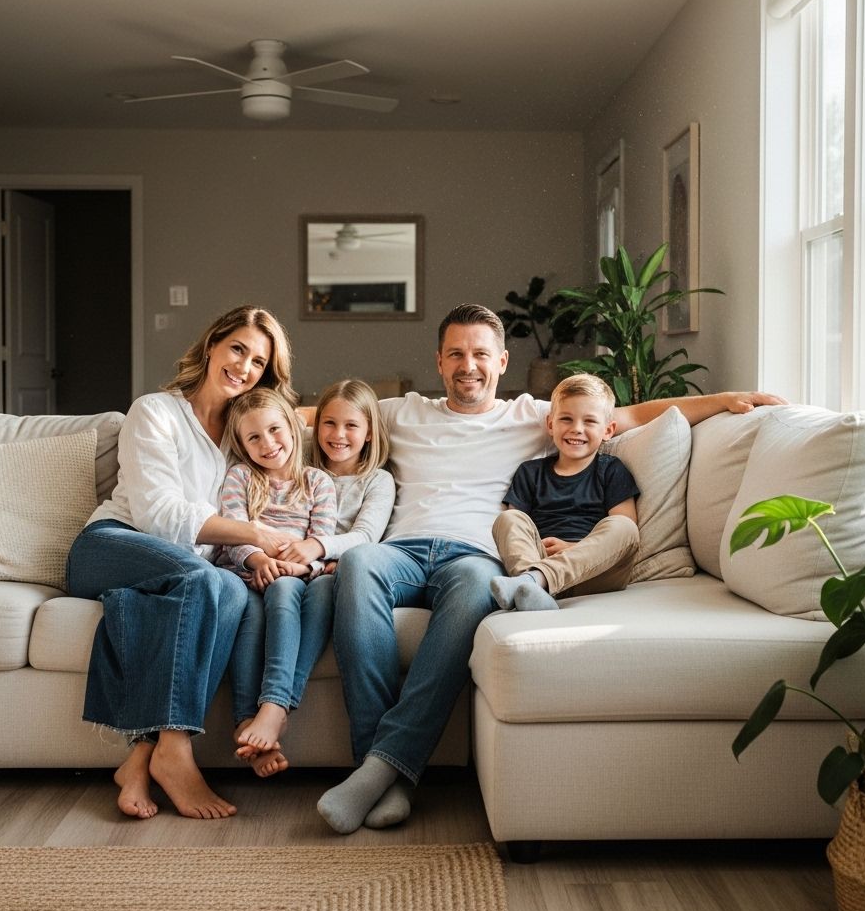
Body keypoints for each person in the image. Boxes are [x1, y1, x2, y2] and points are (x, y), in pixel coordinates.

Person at [317, 303, 786, 835]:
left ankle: (379, 768)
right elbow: (319, 416)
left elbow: (628, 416)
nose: (468, 365)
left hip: (475, 555)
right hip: (399, 549)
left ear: (501, 362)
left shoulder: (532, 415)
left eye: (480, 354)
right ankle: (383, 771)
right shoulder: (400, 411)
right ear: (439, 362)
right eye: (456, 354)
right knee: (355, 562)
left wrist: (724, 400)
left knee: (476, 586)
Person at [66, 304, 295, 821]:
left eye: (259, 362)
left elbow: (304, 429)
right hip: (111, 546)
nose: (244, 366)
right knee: (205, 577)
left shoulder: (245, 439)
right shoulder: (156, 412)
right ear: (213, 344)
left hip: (181, 573)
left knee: (229, 589)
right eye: (237, 349)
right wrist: (254, 532)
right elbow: (158, 513)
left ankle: (143, 755)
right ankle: (176, 750)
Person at [218, 387, 337, 778]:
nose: (267, 443)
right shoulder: (239, 477)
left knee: (289, 590)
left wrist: (297, 569)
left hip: (295, 579)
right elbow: (233, 530)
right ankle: (246, 721)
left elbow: (321, 544)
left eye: (274, 430)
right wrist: (257, 558)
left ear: (293, 426)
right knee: (247, 614)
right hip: (246, 574)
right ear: (241, 444)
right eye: (254, 437)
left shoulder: (317, 482)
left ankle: (272, 708)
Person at [489, 373, 639, 612]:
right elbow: (518, 534)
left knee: (624, 526)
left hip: (595, 571)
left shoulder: (611, 470)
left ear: (608, 430)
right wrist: (541, 559)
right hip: (540, 558)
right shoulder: (530, 472)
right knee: (507, 519)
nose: (577, 429)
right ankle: (534, 590)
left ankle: (535, 582)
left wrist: (572, 548)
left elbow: (626, 534)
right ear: (550, 424)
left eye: (589, 421)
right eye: (566, 419)